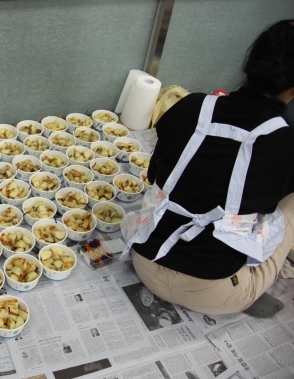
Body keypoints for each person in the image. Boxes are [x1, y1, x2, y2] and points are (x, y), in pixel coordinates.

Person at [121, 19, 294, 317]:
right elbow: (264, 208)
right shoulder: (285, 143)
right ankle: (249, 285)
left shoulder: (191, 106)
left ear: (248, 65)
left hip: (145, 259)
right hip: (214, 292)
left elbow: (154, 175)